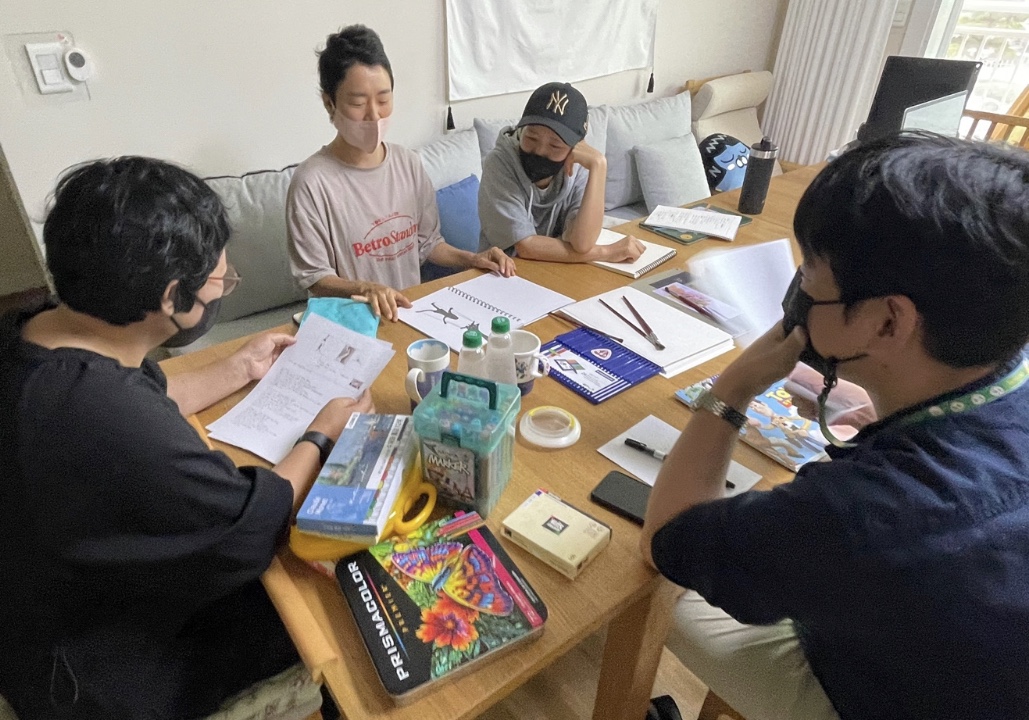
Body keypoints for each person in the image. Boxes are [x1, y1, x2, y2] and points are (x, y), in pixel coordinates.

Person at [640, 132, 1029, 719]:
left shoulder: (859, 513)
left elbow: (667, 539)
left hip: (885, 696)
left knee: (663, 591)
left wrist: (732, 388)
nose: (798, 292)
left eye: (810, 279)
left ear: (889, 322)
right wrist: (888, 407)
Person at [0, 156, 368, 719]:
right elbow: (252, 523)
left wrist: (237, 368)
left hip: (52, 603)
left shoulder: (42, 329)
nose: (225, 284)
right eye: (221, 279)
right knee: (327, 591)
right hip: (94, 671)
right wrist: (321, 435)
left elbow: (140, 391)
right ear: (173, 299)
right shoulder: (103, 417)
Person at [287, 25, 514, 322]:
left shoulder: (408, 164)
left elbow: (428, 244)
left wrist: (473, 258)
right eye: (358, 103)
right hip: (351, 323)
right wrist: (365, 288)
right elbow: (315, 277)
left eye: (383, 100)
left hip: (410, 314)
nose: (374, 115)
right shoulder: (312, 183)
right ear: (330, 103)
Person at [477, 81, 645, 264]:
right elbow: (525, 246)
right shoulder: (499, 163)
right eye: (531, 137)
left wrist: (599, 166)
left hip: (559, 270)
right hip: (504, 270)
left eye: (555, 145)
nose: (540, 151)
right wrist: (606, 252)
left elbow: (582, 243)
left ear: (576, 147)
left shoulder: (579, 164)